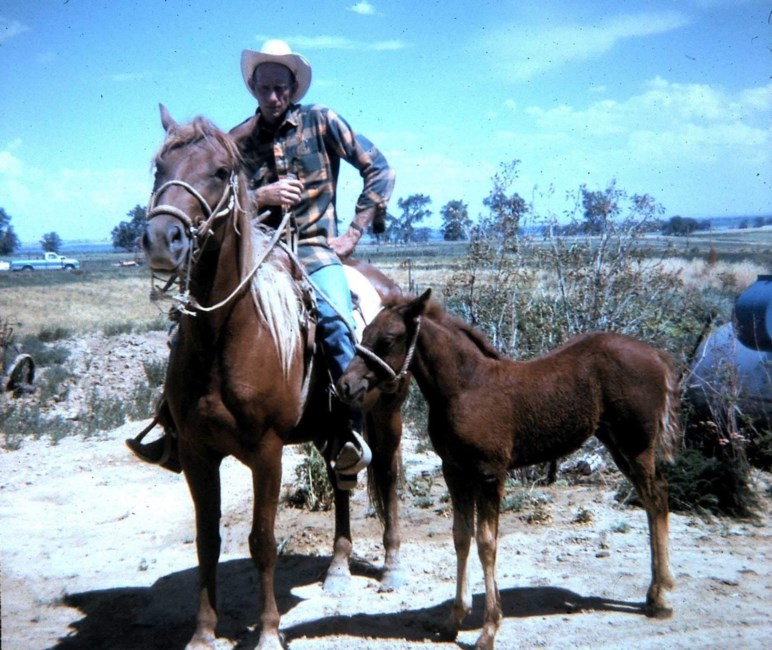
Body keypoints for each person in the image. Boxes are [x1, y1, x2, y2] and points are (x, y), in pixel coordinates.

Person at [129, 40, 394, 490]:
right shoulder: (236, 140)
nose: (274, 96)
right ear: (253, 87)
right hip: (257, 252)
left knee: (335, 319)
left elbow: (380, 168)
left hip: (311, 247)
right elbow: (220, 197)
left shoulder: (322, 121)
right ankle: (174, 426)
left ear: (293, 87)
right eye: (265, 87)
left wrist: (353, 232)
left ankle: (347, 430)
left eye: (281, 87)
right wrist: (260, 196)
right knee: (190, 322)